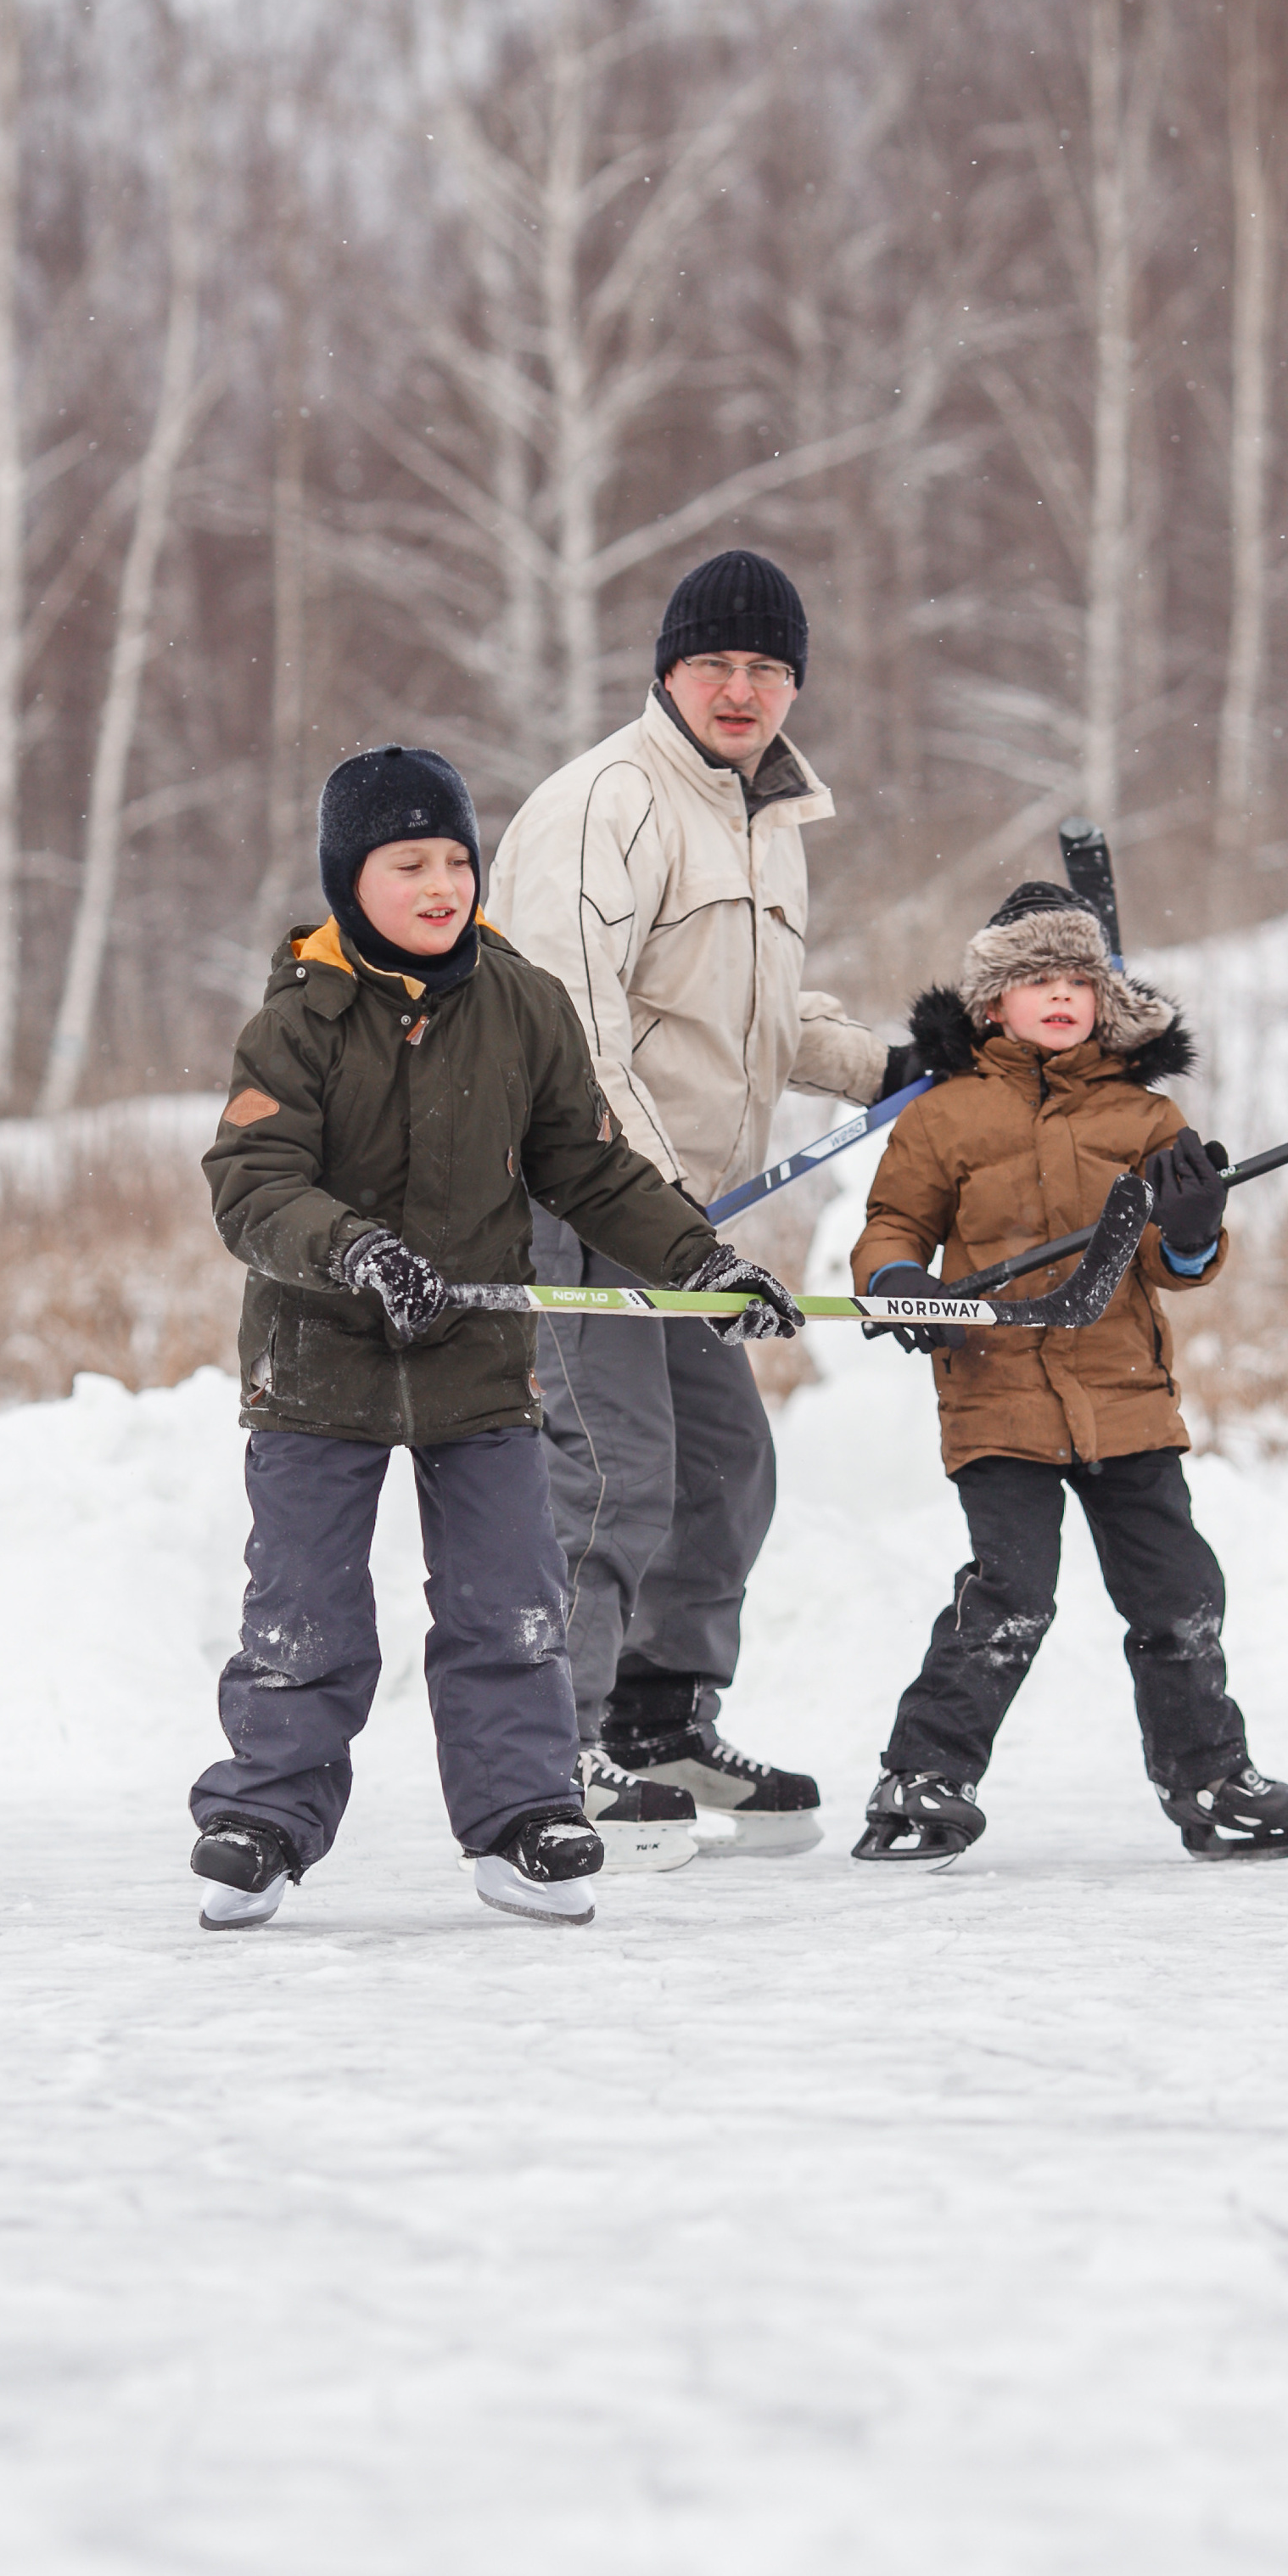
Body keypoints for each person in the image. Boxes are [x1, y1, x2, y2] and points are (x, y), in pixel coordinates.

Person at [187, 743, 801, 1933]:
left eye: (457, 860)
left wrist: (701, 1265)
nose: (442, 885)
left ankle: (525, 1813)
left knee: (511, 1607)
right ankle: (264, 1814)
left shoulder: (521, 1004)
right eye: (407, 862)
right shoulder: (298, 1021)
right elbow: (252, 1185)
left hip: (477, 1368)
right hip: (322, 1365)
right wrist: (355, 1250)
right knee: (303, 1611)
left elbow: (589, 1165)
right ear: (347, 878)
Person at [486, 550, 916, 1864]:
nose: (742, 689)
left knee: (725, 1467)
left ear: (794, 682)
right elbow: (571, 1023)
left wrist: (898, 1065)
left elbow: (756, 1018)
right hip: (577, 1195)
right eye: (715, 663)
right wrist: (649, 1201)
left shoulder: (759, 816)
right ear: (666, 671)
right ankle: (550, 1749)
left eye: (767, 667)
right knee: (611, 1472)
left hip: (677, 1220)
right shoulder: (603, 804)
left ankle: (662, 1717)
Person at [847, 882, 1288, 1867]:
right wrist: (895, 1284)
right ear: (990, 1004)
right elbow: (893, 1227)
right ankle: (922, 1775)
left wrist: (1190, 1232)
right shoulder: (943, 1118)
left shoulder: (1146, 1117)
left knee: (1180, 1596)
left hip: (1125, 1401)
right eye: (1035, 980)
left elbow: (1173, 1270)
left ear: (1104, 997)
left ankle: (1208, 1775)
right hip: (997, 1396)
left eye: (1077, 981)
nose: (1060, 996)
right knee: (1010, 1599)